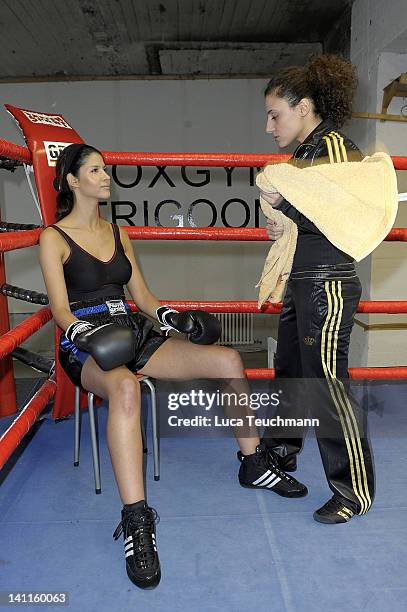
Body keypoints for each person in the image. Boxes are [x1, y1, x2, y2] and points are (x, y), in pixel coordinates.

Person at [39, 143, 307, 590]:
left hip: (133, 330)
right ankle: (137, 521)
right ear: (72, 181)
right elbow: (61, 311)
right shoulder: (53, 237)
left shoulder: (118, 232)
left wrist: (172, 319)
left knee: (227, 359)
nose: (106, 176)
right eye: (96, 171)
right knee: (125, 389)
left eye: (106, 170)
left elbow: (143, 298)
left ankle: (252, 461)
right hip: (85, 342)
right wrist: (86, 336)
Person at [259, 54, 375, 524]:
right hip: (302, 281)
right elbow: (306, 222)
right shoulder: (305, 153)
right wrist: (284, 224)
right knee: (289, 373)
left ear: (304, 106)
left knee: (328, 386)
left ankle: (353, 491)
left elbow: (341, 217)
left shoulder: (336, 149)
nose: (269, 126)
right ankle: (281, 454)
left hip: (327, 284)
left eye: (275, 114)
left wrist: (284, 203)